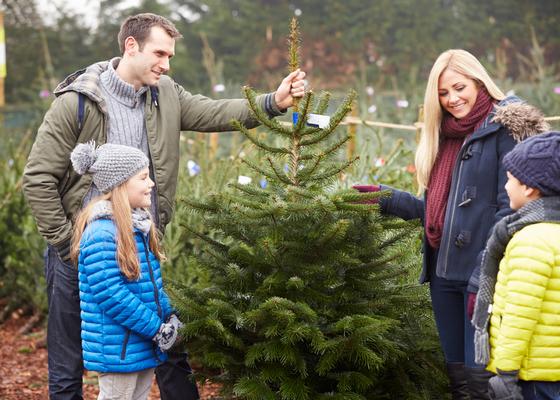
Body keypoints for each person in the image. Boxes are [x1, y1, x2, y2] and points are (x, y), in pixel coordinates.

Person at [22, 12, 306, 400]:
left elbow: (213, 112)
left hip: (139, 245)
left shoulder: (165, 93)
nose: (166, 64)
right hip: (81, 247)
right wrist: (66, 242)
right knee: (67, 360)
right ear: (131, 46)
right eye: (160, 53)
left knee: (166, 340)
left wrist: (273, 102)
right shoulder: (77, 102)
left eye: (170, 56)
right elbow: (37, 178)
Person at [355, 49, 548, 399]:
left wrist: (484, 274)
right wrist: (385, 198)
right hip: (443, 275)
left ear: (478, 81)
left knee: (482, 382)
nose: (452, 99)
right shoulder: (446, 135)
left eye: (459, 88)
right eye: (443, 93)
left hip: (484, 277)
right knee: (458, 380)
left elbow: (514, 210)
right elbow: (439, 212)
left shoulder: (506, 128)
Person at [70, 142, 180, 400]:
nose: (151, 183)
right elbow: (111, 294)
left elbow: (152, 285)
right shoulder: (101, 233)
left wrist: (170, 315)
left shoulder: (138, 226)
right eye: (143, 177)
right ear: (120, 185)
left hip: (141, 342)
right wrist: (155, 328)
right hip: (118, 347)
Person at [472, 132, 560, 400]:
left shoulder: (530, 241)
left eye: (509, 179)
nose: (506, 186)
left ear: (529, 188)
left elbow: (521, 314)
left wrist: (506, 372)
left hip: (531, 375)